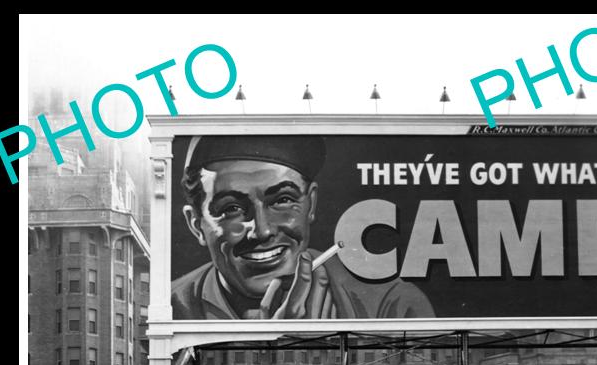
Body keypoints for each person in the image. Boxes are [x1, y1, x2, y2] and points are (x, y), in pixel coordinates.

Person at [172, 135, 435, 320]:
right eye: (231, 208)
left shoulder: (394, 306)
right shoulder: (170, 308)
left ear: (310, 205)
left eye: (282, 201)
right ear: (196, 224)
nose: (262, 231)